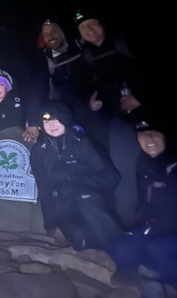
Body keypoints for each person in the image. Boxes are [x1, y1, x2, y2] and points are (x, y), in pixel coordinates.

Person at [109, 120, 177, 298]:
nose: (149, 140)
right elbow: (149, 209)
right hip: (163, 229)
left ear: (166, 136)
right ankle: (160, 278)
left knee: (159, 250)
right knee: (122, 247)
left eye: (155, 134)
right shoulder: (146, 165)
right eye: (143, 135)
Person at [73, 5, 149, 229]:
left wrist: (140, 98)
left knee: (159, 164)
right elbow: (84, 85)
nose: (88, 29)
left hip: (148, 116)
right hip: (119, 120)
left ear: (102, 24)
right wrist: (91, 101)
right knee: (124, 168)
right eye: (83, 27)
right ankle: (128, 222)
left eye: (92, 23)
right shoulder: (87, 56)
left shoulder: (124, 42)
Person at [30, 100, 123, 251]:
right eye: (46, 121)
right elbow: (43, 187)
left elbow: (112, 177)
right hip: (63, 205)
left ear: (65, 119)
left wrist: (77, 181)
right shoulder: (38, 150)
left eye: (55, 119)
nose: (51, 125)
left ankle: (121, 251)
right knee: (82, 242)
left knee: (85, 199)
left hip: (91, 201)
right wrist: (50, 224)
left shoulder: (83, 143)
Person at [25, 19, 97, 146]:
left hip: (94, 110)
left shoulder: (82, 47)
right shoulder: (45, 59)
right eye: (46, 34)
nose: (50, 37)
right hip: (64, 118)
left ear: (63, 31)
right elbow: (35, 90)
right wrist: (33, 122)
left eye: (54, 31)